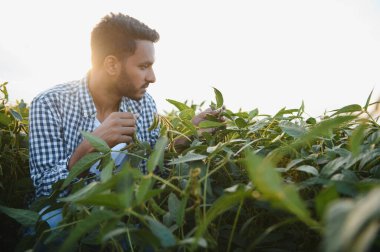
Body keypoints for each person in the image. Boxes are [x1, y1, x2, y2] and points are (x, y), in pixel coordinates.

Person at [29, 13, 221, 200]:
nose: (152, 78)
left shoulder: (144, 103)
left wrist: (188, 137)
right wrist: (88, 148)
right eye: (143, 67)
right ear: (112, 65)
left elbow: (153, 170)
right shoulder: (50, 104)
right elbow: (45, 193)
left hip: (124, 220)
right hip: (66, 222)